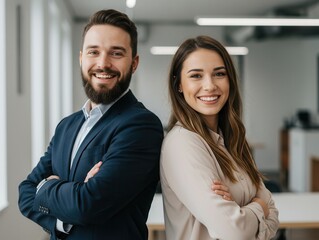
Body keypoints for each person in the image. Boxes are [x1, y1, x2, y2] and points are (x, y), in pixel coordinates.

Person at [18, 9, 164, 240]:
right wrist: (63, 217)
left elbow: (87, 205)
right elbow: (25, 194)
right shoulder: (66, 126)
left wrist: (45, 187)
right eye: (93, 52)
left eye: (116, 53)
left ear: (134, 63)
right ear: (81, 58)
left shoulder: (141, 126)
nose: (103, 63)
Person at [160, 35, 279, 240]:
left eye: (219, 74)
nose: (210, 86)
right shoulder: (182, 143)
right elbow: (237, 231)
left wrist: (245, 213)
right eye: (196, 76)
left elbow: (274, 213)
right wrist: (259, 206)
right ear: (179, 84)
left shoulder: (233, 139)